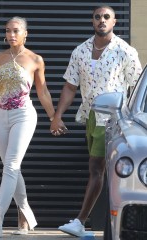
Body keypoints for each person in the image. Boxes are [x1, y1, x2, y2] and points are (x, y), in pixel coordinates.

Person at [50, 5, 142, 237]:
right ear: (92, 21)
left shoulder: (125, 51)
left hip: (113, 119)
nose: (102, 20)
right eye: (98, 17)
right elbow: (70, 86)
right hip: (91, 116)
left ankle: (81, 222)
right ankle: (98, 225)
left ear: (114, 22)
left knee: (96, 168)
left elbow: (135, 87)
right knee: (98, 170)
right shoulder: (80, 51)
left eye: (106, 17)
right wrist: (57, 116)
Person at [0, 16, 55, 238]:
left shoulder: (35, 59)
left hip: (23, 115)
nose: (11, 35)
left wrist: (54, 116)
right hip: (0, 115)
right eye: (7, 31)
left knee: (11, 165)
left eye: (16, 31)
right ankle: (25, 217)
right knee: (11, 168)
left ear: (26, 33)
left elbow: (42, 91)